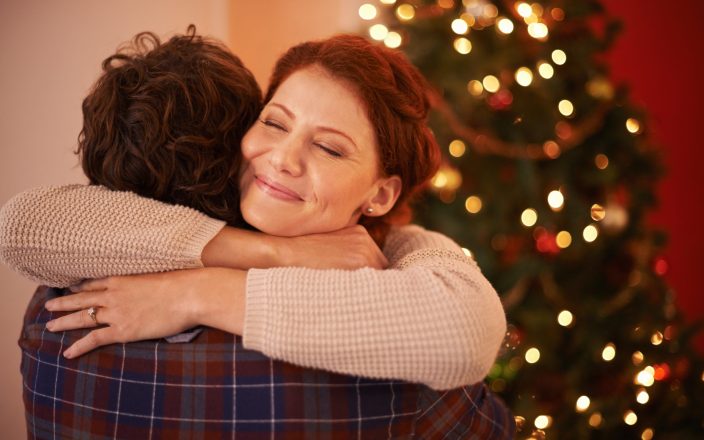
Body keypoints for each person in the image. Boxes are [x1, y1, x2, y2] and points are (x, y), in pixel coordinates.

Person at [1, 28, 514, 438]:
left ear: (381, 194)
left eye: (330, 148)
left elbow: (467, 328)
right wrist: (266, 251)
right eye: (274, 123)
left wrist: (196, 292)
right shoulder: (407, 378)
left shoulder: (53, 312)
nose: (283, 159)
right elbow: (21, 226)